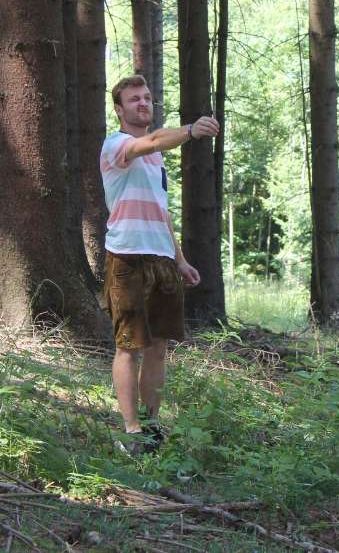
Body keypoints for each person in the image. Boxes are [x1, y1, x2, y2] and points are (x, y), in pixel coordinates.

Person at [100, 75, 219, 455]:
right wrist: (191, 130)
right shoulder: (117, 145)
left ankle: (152, 428)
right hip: (127, 257)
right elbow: (150, 141)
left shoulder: (156, 158)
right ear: (119, 109)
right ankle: (131, 431)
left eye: (147, 97)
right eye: (134, 99)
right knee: (128, 346)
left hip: (162, 260)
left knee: (158, 348)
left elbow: (162, 213)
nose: (143, 103)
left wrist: (180, 260)